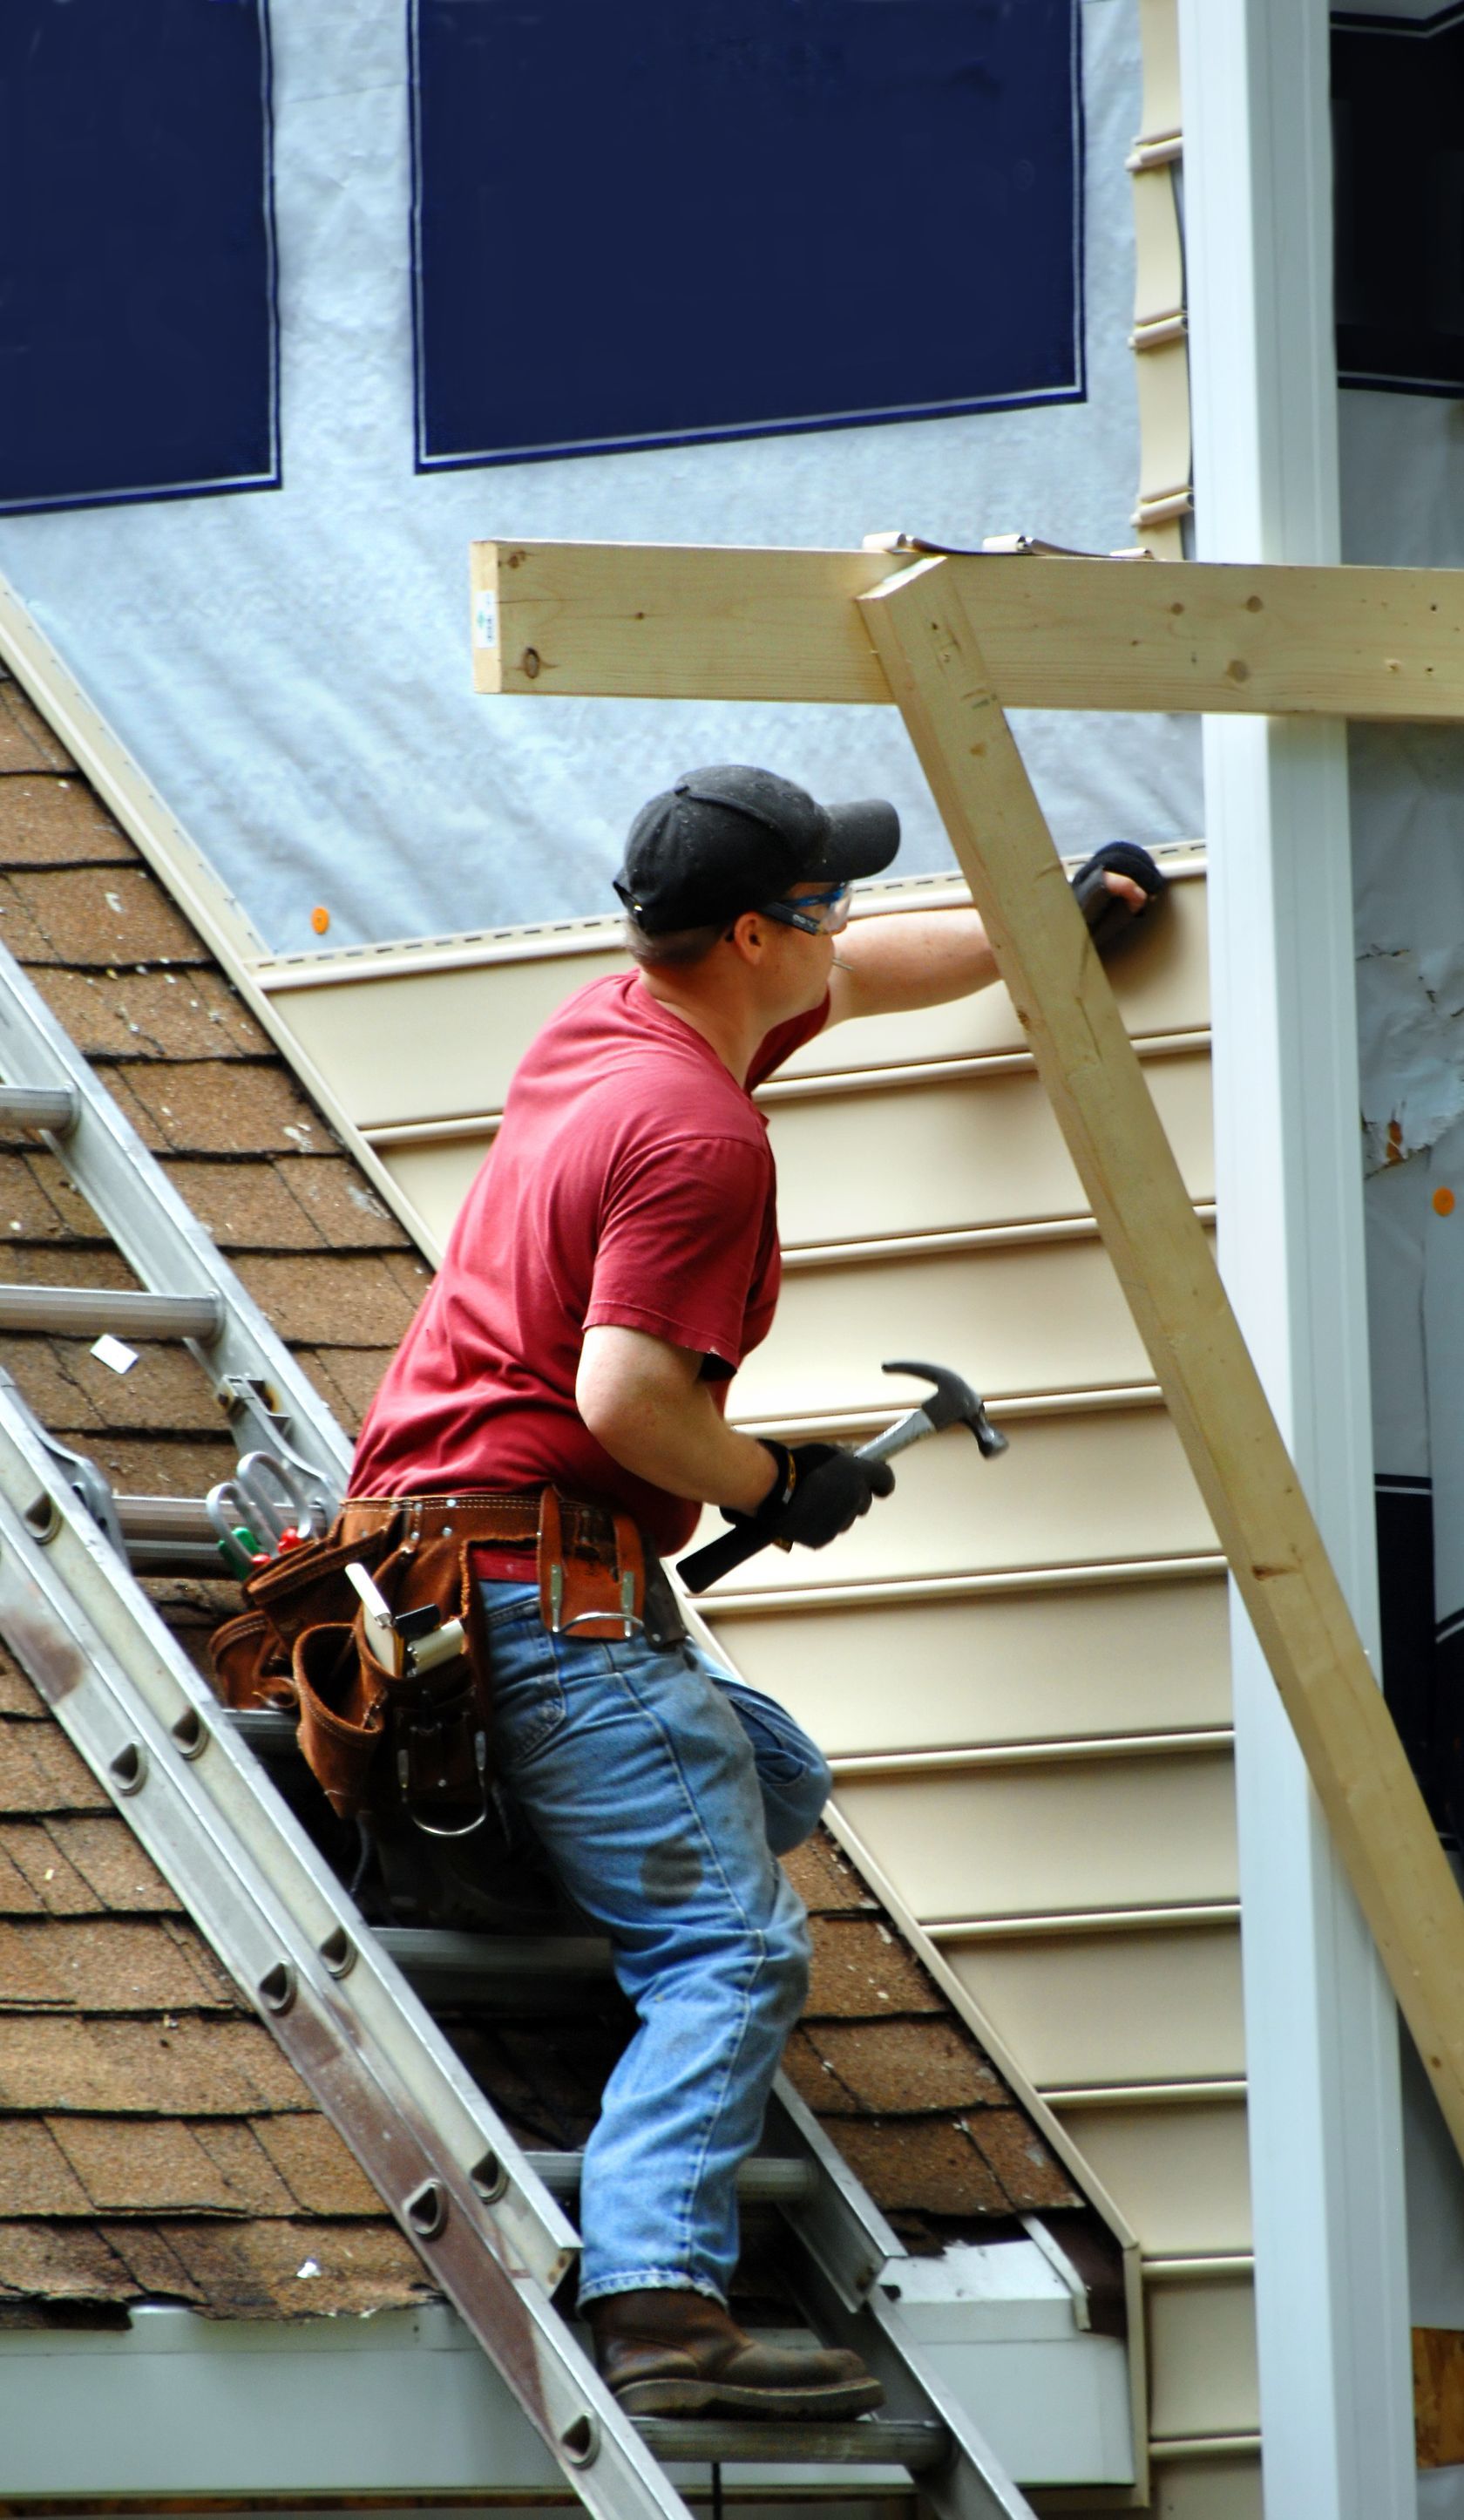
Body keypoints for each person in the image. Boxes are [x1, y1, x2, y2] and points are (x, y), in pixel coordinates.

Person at [348, 767, 1157, 2419]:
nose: (842, 927)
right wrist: (778, 1479)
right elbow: (627, 1402)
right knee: (732, 1946)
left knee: (778, 1773)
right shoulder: (701, 1138)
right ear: (745, 933)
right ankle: (660, 2309)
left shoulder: (616, 1025)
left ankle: (510, 1844)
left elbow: (859, 972)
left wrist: (1041, 929)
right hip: (533, 1592)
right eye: (822, 901)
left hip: (440, 1558)